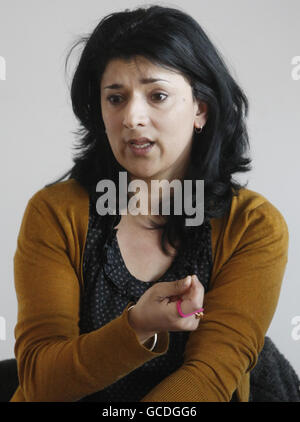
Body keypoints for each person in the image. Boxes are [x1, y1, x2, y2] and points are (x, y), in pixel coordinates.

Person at [10, 5, 289, 402]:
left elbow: (209, 377)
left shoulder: (252, 225)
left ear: (200, 108)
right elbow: (41, 381)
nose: (132, 117)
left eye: (157, 95)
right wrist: (137, 326)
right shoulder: (55, 212)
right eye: (116, 98)